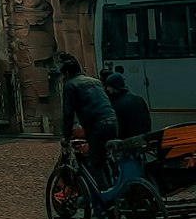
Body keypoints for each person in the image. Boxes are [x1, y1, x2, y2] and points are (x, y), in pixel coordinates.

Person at [59, 54, 118, 190]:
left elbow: (68, 113)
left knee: (95, 163)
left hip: (97, 125)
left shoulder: (70, 85)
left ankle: (105, 199)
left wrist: (66, 137)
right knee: (104, 160)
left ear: (67, 73)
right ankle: (112, 192)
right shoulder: (96, 81)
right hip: (112, 122)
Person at [105, 72, 152, 140]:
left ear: (114, 86)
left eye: (108, 86)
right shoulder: (138, 99)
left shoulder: (116, 105)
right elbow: (147, 120)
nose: (107, 89)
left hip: (127, 141)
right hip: (143, 138)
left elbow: (118, 128)